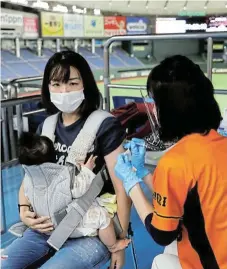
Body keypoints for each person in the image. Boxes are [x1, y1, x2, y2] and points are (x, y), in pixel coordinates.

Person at [2, 51, 131, 269]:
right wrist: (24, 211)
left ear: (85, 85)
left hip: (91, 229)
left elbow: (122, 188)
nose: (64, 91)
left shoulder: (104, 125)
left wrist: (118, 243)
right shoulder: (47, 126)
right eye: (56, 84)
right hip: (47, 224)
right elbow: (32, 178)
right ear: (48, 87)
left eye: (72, 83)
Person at [115, 55, 227, 269]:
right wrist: (143, 174)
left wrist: (132, 185)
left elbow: (162, 233)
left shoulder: (176, 161)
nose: (152, 110)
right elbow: (188, 199)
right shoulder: (220, 144)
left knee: (160, 261)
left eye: (154, 103)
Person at [16, 132, 130, 253]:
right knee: (102, 217)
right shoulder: (61, 176)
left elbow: (27, 198)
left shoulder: (28, 179)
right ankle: (113, 246)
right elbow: (79, 189)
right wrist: (87, 170)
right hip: (67, 225)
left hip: (44, 226)